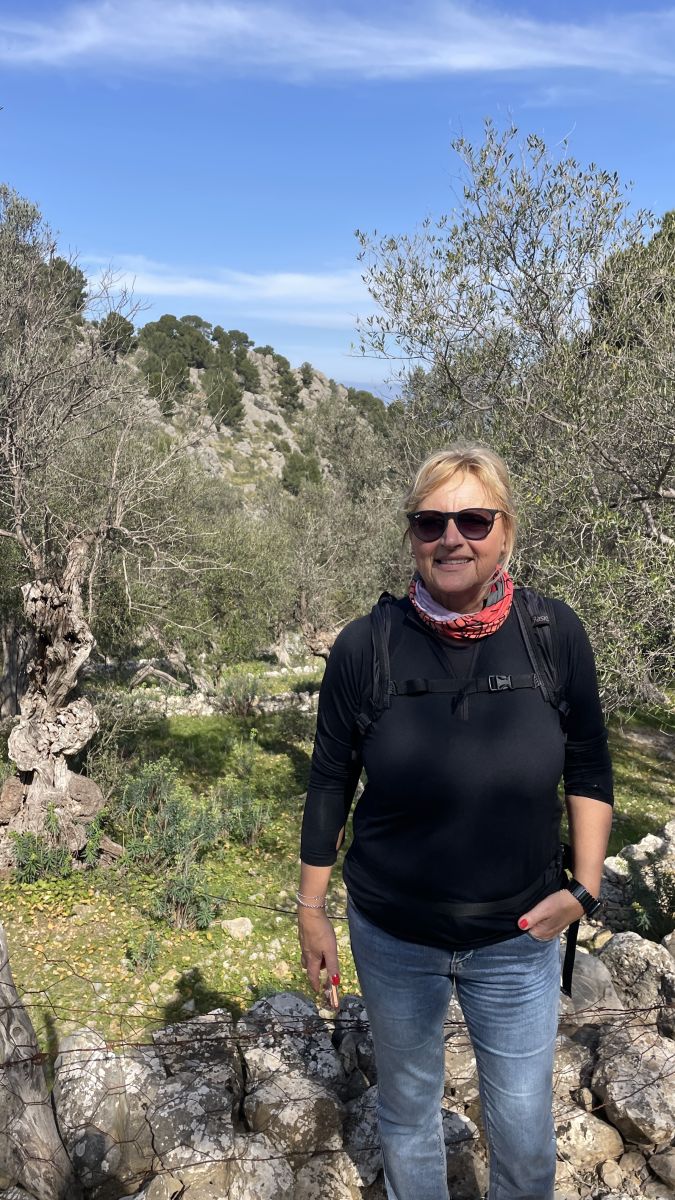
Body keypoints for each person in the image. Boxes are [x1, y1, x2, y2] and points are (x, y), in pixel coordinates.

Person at [297, 446, 613, 1200]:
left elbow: (590, 766)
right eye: (429, 521)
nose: (451, 538)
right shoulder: (363, 647)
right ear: (410, 535)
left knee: (526, 1136)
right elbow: (330, 780)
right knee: (406, 1114)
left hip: (517, 937)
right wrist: (310, 909)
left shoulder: (553, 635)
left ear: (504, 532)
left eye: (473, 519)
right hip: (393, 934)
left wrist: (585, 889)